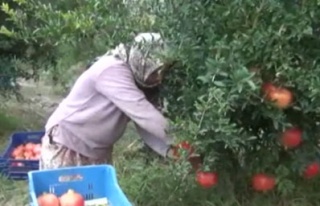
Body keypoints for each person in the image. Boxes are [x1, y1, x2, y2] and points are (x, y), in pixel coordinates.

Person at [39, 32, 177, 170]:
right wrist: (183, 140)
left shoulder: (140, 81)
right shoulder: (111, 69)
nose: (158, 78)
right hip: (68, 145)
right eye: (153, 72)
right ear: (140, 60)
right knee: (63, 192)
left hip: (98, 153)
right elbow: (144, 114)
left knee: (95, 192)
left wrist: (173, 152)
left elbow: (146, 126)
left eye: (161, 72)